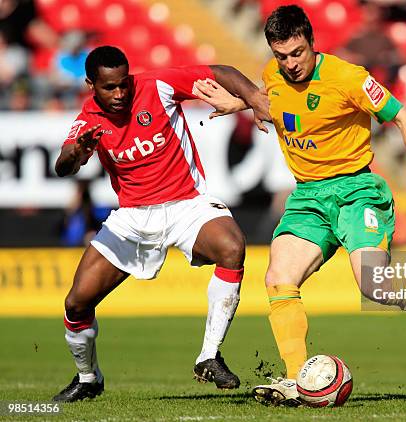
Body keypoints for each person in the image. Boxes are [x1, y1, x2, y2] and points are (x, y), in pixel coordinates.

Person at [193, 5, 406, 407]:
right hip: (307, 197)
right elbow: (277, 102)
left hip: (357, 192)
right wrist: (241, 103)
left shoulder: (348, 78)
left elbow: (404, 117)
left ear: (311, 43)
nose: (289, 64)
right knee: (277, 279)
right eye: (281, 56)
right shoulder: (273, 76)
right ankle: (295, 379)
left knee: (376, 287)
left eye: (297, 54)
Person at [52, 45, 270, 402]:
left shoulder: (156, 86)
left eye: (124, 84)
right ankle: (88, 378)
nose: (121, 93)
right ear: (91, 84)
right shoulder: (87, 121)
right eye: (110, 87)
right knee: (76, 304)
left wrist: (253, 98)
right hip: (133, 218)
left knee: (232, 247)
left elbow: (221, 71)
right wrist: (76, 154)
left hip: (187, 205)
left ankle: (209, 355)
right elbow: (63, 165)